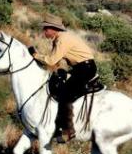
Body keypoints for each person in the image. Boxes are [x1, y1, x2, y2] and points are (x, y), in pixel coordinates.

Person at [28, 15, 101, 143]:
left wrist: (35, 55)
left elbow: (51, 60)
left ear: (54, 29)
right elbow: (55, 61)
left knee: (65, 94)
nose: (44, 31)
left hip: (85, 69)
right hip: (80, 68)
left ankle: (67, 131)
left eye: (46, 28)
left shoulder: (63, 40)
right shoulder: (58, 39)